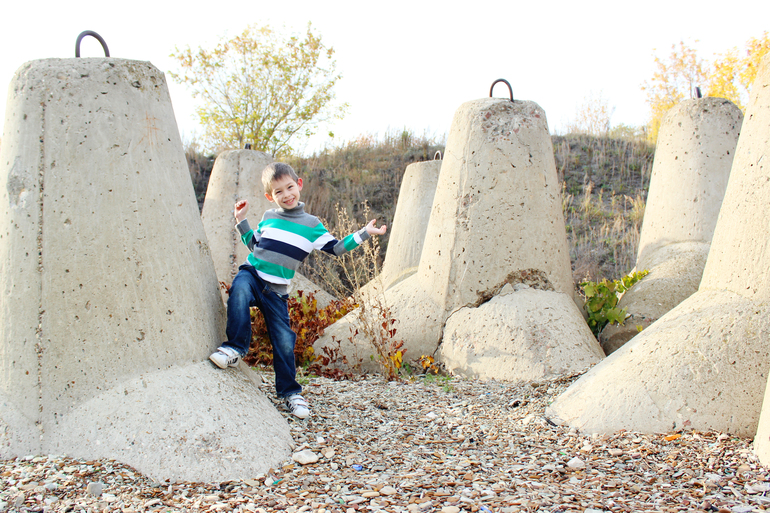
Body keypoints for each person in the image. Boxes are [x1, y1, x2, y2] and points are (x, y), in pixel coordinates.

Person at [209, 162, 387, 419]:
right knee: (239, 291)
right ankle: (235, 348)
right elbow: (255, 245)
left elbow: (336, 248)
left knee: (284, 340)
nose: (286, 194)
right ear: (270, 196)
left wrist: (364, 233)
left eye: (289, 187)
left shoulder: (312, 225)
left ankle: (290, 393)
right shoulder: (269, 217)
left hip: (277, 291)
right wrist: (241, 220)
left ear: (299, 184)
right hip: (253, 274)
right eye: (278, 191)